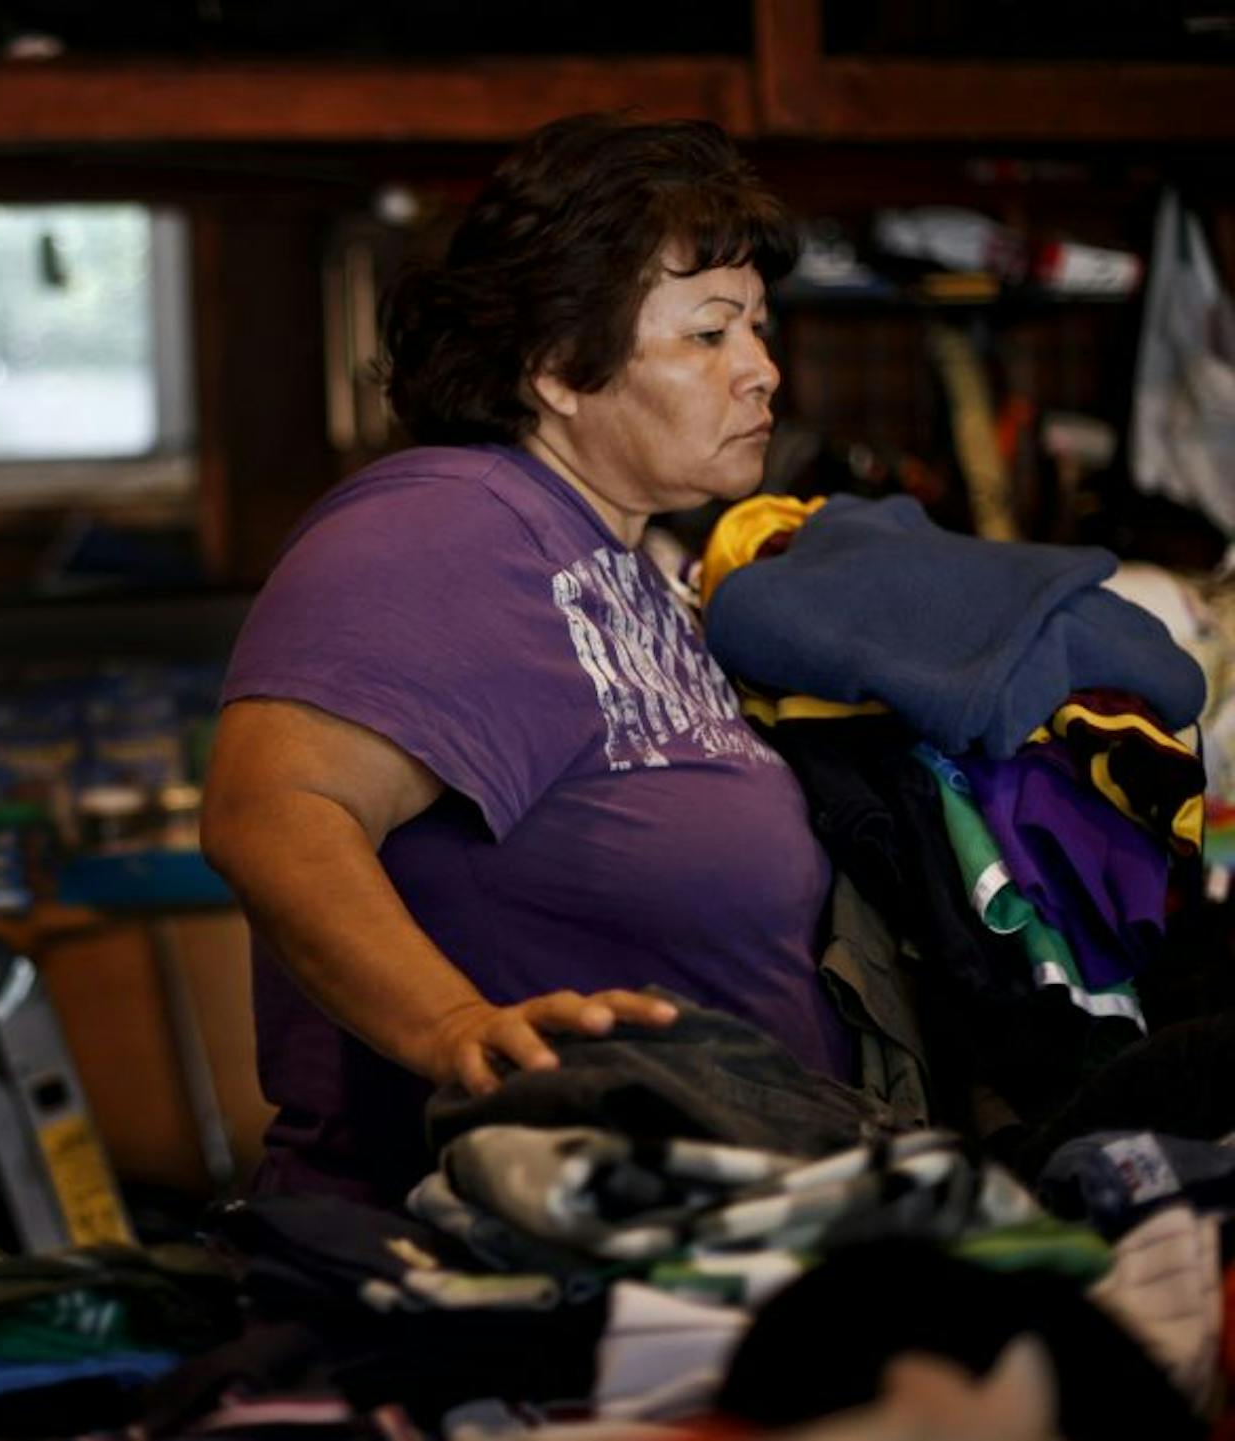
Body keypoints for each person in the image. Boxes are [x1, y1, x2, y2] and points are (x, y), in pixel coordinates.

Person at [201, 113, 852, 1204]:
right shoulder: (445, 528)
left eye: (759, 330)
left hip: (701, 1231)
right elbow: (269, 807)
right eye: (709, 334)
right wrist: (453, 1027)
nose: (762, 372)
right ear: (557, 364)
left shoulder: (628, 563)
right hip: (478, 1248)